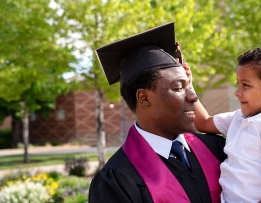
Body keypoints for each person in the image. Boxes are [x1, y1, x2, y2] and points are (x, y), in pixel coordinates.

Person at [88, 22, 227, 203]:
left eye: (189, 86)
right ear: (144, 98)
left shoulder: (216, 148)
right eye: (178, 88)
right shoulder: (117, 181)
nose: (193, 97)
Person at [192, 45, 261, 203]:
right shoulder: (239, 117)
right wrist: (187, 84)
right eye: (238, 83)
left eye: (246, 85)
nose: (237, 92)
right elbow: (203, 123)